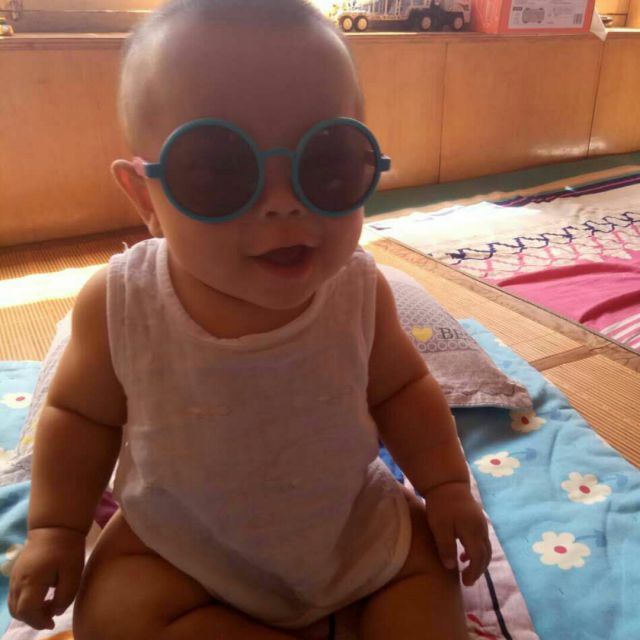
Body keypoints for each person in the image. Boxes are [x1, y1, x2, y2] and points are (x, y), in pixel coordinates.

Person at [8, 1, 491, 638]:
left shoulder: (358, 290)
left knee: (426, 571)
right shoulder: (122, 303)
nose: (282, 204)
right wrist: (56, 529)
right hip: (184, 546)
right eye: (217, 171)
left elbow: (403, 391)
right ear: (144, 196)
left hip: (352, 527)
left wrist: (447, 485)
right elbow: (79, 418)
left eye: (326, 162)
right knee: (113, 611)